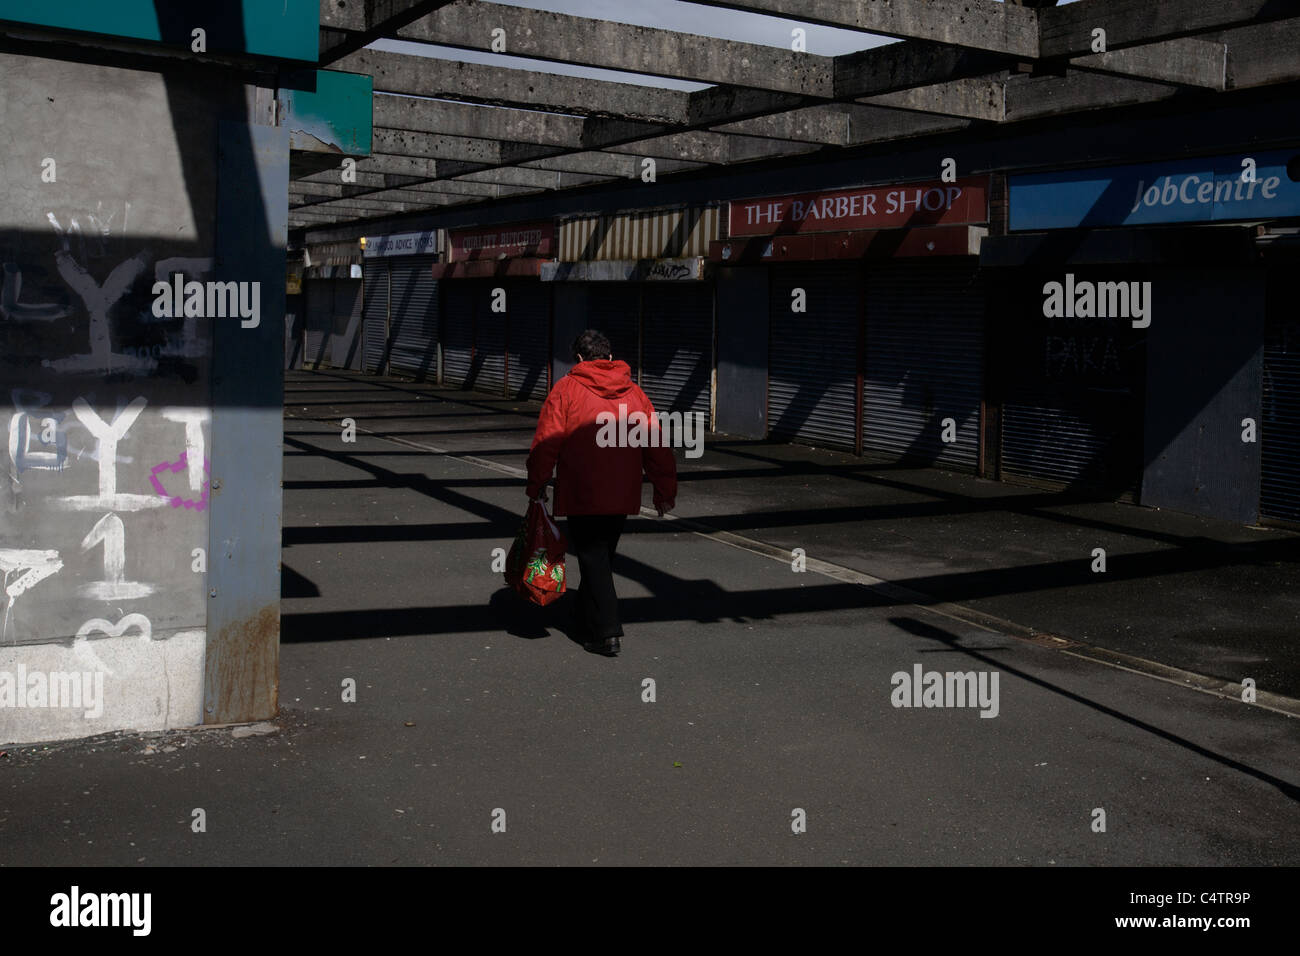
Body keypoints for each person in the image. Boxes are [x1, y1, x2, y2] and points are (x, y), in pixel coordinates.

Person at [525, 329, 677, 656]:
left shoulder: (565, 390)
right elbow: (656, 446)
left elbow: (547, 443)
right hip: (622, 493)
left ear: (578, 358)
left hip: (583, 492)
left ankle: (608, 631)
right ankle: (584, 616)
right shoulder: (635, 394)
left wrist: (536, 483)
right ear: (609, 357)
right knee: (602, 557)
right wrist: (665, 490)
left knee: (594, 558)